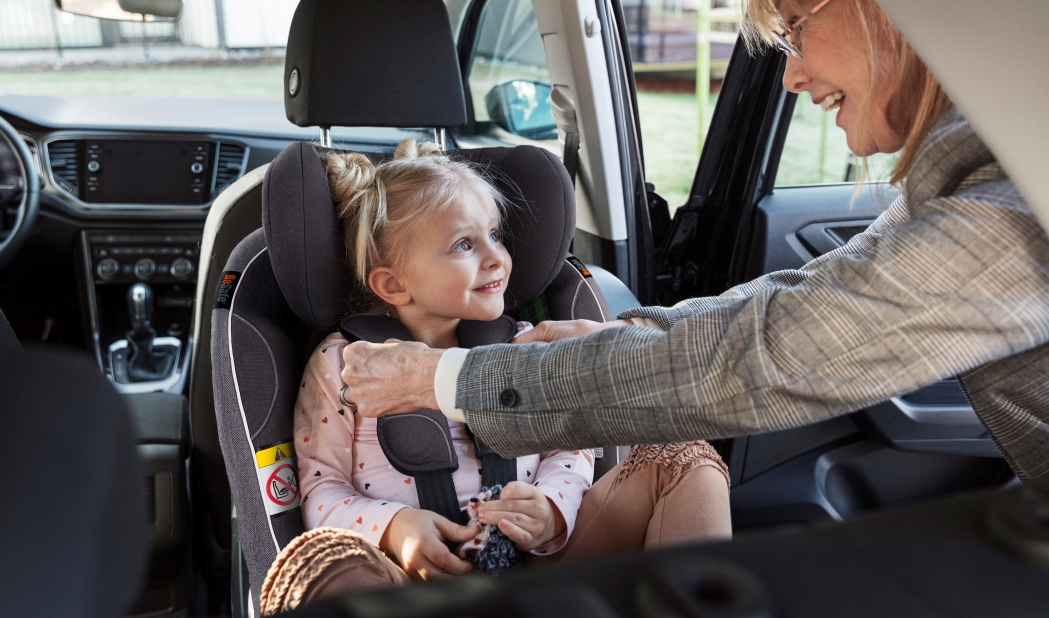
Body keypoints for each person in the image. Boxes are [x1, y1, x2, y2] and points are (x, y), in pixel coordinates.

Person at [337, 0, 1049, 485]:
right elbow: (799, 301)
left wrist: (440, 379)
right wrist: (614, 336)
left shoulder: (1010, 202)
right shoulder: (990, 171)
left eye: (797, 27)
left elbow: (767, 353)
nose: (794, 76)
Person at [260, 141, 731, 613]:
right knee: (316, 561)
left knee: (682, 454)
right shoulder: (344, 363)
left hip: (545, 568)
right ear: (393, 283)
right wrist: (396, 528)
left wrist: (550, 511)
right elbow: (322, 489)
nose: (496, 258)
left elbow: (571, 445)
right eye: (464, 244)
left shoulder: (526, 341)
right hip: (408, 583)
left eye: (495, 235)